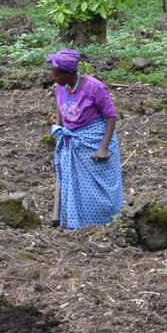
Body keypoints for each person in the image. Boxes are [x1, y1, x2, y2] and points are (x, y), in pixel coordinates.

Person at [46, 49, 122, 229]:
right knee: (72, 184)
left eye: (56, 74)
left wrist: (103, 148)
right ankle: (75, 224)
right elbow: (59, 106)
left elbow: (111, 116)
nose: (52, 77)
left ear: (68, 73)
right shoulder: (60, 86)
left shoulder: (94, 87)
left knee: (100, 189)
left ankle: (103, 225)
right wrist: (59, 129)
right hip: (71, 140)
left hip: (93, 140)